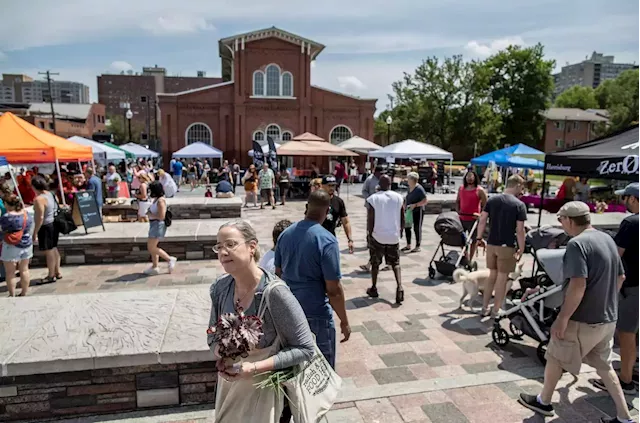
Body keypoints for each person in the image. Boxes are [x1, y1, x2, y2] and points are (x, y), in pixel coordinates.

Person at [518, 201, 632, 423]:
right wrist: (605, 302)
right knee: (604, 366)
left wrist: (562, 318)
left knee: (554, 356)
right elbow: (621, 277)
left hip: (582, 319)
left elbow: (578, 285)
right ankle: (624, 418)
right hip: (608, 319)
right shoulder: (607, 238)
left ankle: (543, 401)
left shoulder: (576, 244)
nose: (561, 225)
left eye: (561, 220)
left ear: (570, 220)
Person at [208, 220, 315, 423]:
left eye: (230, 244)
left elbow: (305, 348)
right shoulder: (219, 289)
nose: (222, 252)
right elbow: (213, 335)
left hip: (269, 399)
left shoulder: (274, 293)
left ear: (252, 247)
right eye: (219, 246)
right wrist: (222, 355)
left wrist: (254, 367)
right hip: (232, 391)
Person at [275, 190, 351, 369]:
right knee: (321, 372)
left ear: (307, 207)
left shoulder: (285, 235)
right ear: (327, 211)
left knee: (294, 371)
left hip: (289, 312)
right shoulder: (327, 240)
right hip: (317, 314)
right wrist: (344, 321)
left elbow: (277, 276)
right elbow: (333, 290)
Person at [592, 183, 640, 395]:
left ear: (634, 199)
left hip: (634, 287)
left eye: (625, 198)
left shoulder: (631, 223)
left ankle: (625, 381)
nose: (624, 202)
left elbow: (615, 255)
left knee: (626, 334)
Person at [476, 174, 526, 317]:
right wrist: (521, 248)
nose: (521, 191)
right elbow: (520, 230)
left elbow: (482, 219)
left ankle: (484, 307)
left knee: (492, 275)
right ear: (517, 185)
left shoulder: (492, 200)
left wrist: (479, 237)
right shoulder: (519, 205)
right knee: (502, 279)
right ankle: (496, 310)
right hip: (507, 245)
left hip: (491, 243)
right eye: (521, 187)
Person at [365, 175, 405, 304]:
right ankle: (399, 286)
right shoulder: (398, 197)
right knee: (396, 263)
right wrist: (401, 231)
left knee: (375, 262)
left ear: (379, 184)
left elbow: (370, 218)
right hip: (393, 235)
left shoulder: (373, 198)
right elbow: (402, 216)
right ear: (390, 184)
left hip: (378, 235)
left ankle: (374, 287)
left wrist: (369, 233)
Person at [0, 195, 33, 297]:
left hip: (11, 245)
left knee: (10, 272)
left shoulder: (6, 217)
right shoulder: (26, 214)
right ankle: (24, 292)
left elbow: (2, 230)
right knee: (24, 269)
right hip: (26, 243)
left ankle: (12, 294)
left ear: (7, 204)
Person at [31, 176, 61, 284]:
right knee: (54, 248)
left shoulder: (39, 199)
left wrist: (35, 232)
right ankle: (57, 272)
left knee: (49, 251)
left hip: (46, 226)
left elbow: (40, 217)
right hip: (54, 224)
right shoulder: (51, 194)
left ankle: (51, 275)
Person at [144, 181, 177, 275]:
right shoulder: (156, 200)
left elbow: (161, 216)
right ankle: (155, 266)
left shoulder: (160, 201)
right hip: (153, 224)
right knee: (153, 247)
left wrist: (150, 214)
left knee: (151, 247)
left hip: (158, 225)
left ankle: (169, 259)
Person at [456, 170, 487, 261]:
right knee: (460, 238)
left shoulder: (479, 190)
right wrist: (458, 210)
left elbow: (486, 205)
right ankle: (465, 254)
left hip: (473, 219)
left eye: (471, 177)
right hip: (462, 217)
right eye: (468, 177)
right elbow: (457, 201)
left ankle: (470, 259)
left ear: (474, 178)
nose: (469, 179)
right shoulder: (461, 188)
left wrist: (481, 215)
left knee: (473, 240)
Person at [318, 176, 354, 252]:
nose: (332, 188)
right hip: (316, 237)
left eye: (333, 185)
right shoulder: (316, 200)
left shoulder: (338, 202)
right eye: (329, 185)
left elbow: (346, 222)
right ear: (322, 186)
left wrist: (350, 240)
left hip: (331, 238)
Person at [402, 172, 428, 253]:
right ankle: (408, 244)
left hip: (418, 210)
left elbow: (425, 200)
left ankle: (418, 246)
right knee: (407, 227)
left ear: (413, 180)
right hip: (409, 210)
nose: (407, 180)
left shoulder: (419, 189)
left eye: (408, 179)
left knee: (417, 227)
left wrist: (416, 205)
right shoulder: (409, 187)